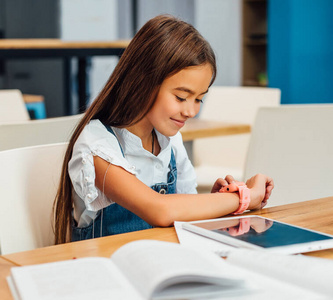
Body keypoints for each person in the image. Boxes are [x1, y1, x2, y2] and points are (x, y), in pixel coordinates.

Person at [53, 15, 274, 244]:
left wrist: (215, 201)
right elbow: (159, 209)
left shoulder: (170, 141)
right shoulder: (97, 145)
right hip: (108, 270)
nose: (191, 111)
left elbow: (180, 212)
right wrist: (246, 197)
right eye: (181, 97)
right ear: (144, 81)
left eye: (199, 99)